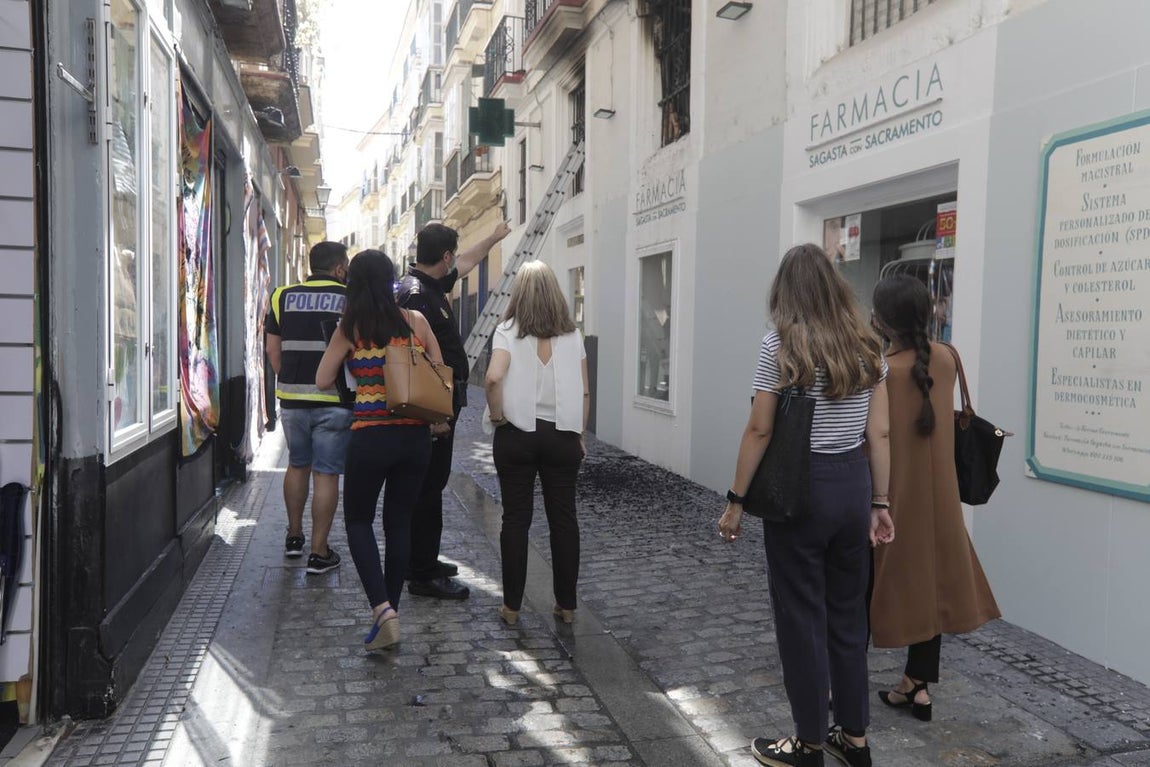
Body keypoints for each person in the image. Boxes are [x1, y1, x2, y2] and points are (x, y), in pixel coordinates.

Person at [718, 243, 894, 767]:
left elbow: (759, 428)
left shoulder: (781, 344)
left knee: (801, 617)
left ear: (785, 291)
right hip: (852, 485)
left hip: (801, 490)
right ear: (835, 286)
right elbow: (879, 433)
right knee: (847, 617)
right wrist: (880, 502)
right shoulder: (867, 344)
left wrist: (735, 501)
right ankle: (855, 739)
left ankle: (810, 742)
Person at [868, 275, 1000, 722]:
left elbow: (874, 436)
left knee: (868, 585)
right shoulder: (944, 358)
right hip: (940, 497)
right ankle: (917, 686)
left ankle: (836, 682)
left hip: (890, 496)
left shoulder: (881, 370)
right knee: (933, 583)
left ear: (881, 321)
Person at [315, 250, 443, 651]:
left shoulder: (350, 327)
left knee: (357, 521)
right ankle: (392, 613)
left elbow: (322, 380)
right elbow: (440, 370)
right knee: (399, 523)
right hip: (414, 438)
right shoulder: (415, 321)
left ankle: (382, 610)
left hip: (370, 436)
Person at [398, 219, 511, 600]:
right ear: (442, 256)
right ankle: (422, 573)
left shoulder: (425, 285)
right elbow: (413, 361)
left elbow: (463, 264)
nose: (454, 264)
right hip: (432, 409)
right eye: (451, 256)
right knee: (427, 488)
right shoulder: (417, 295)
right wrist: (434, 417)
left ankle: (424, 559)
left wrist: (494, 238)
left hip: (440, 404)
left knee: (431, 485)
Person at [483, 261, 590, 626]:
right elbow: (585, 390)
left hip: (517, 437)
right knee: (564, 519)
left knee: (515, 520)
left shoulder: (507, 332)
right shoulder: (573, 336)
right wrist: (579, 434)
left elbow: (493, 378)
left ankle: (512, 607)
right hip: (562, 437)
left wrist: (497, 417)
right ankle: (567, 605)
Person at [265, 241, 351, 575]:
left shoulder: (281, 296)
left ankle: (293, 537)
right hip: (335, 401)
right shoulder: (350, 299)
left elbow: (273, 350)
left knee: (297, 464)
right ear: (340, 268)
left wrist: (287, 379)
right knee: (326, 474)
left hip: (292, 399)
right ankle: (319, 552)